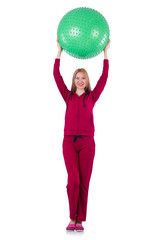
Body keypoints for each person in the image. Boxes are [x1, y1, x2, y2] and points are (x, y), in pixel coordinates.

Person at [53, 39, 110, 232]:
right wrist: (59, 52)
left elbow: (104, 77)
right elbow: (56, 75)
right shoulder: (67, 96)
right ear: (73, 80)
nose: (80, 80)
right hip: (69, 142)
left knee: (84, 181)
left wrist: (105, 54)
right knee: (74, 180)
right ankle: (72, 217)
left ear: (86, 82)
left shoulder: (91, 97)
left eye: (83, 78)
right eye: (77, 77)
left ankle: (80, 220)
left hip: (87, 143)